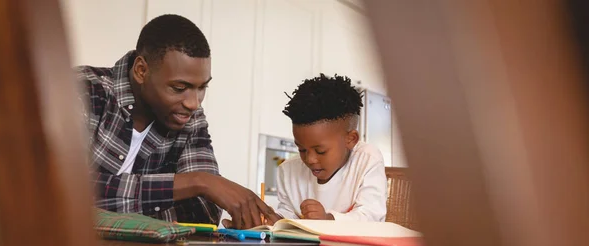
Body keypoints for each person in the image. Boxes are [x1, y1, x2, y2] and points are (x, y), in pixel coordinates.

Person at [75, 14, 279, 228]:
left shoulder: (190, 118)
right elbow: (58, 193)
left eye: (202, 88)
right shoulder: (81, 92)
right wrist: (198, 182)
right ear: (141, 71)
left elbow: (204, 211)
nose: (194, 103)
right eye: (179, 88)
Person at [276, 74, 388, 222]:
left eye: (320, 151)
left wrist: (327, 219)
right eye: (302, 149)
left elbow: (371, 216)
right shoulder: (288, 170)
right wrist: (271, 219)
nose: (310, 159)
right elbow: (287, 214)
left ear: (350, 139)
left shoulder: (368, 159)